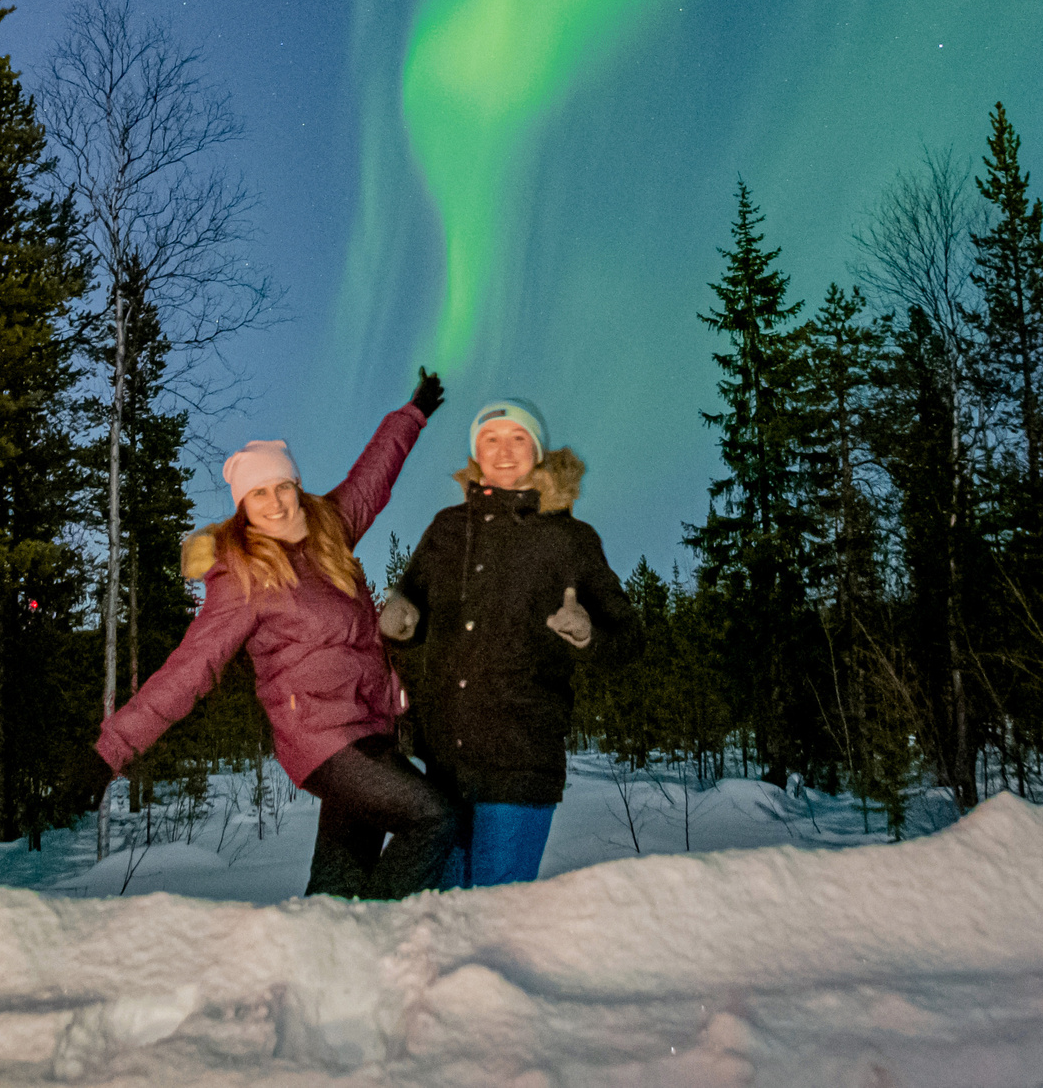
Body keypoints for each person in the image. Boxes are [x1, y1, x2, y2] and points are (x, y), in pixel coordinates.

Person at [71, 369, 453, 901]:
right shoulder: (242, 575)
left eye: (282, 487)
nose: (274, 503)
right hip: (322, 738)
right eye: (258, 494)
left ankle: (327, 943)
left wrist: (411, 416)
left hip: (371, 724)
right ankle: (383, 933)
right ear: (243, 506)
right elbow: (191, 669)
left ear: (296, 486)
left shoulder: (330, 528)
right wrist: (109, 750)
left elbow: (373, 476)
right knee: (434, 817)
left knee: (337, 890)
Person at [382, 397, 636, 887]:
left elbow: (627, 640)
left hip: (519, 765)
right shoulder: (446, 529)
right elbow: (409, 617)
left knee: (494, 915)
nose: (503, 451)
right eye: (490, 439)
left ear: (537, 452)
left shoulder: (570, 539)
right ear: (476, 452)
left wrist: (588, 635)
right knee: (436, 915)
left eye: (518, 439)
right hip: (442, 769)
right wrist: (397, 627)